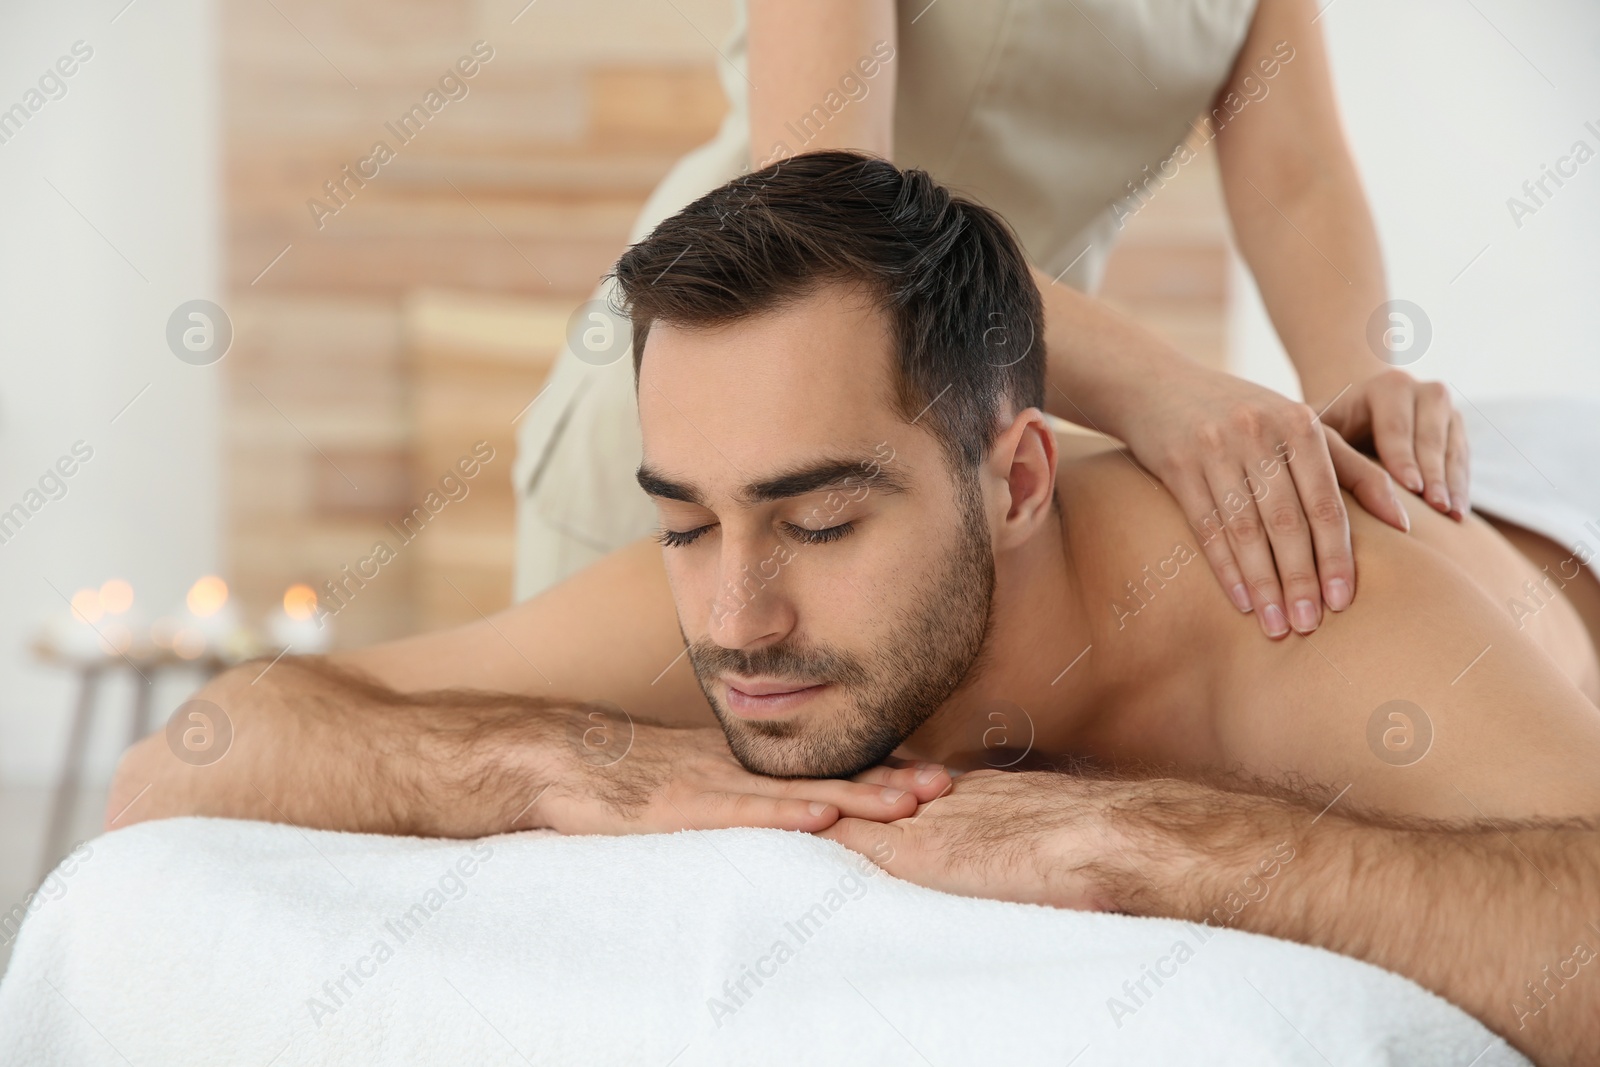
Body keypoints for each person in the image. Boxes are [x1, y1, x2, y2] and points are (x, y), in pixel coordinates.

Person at [112, 154, 1597, 1064]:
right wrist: (541, 758)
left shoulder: (1310, 606)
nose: (740, 615)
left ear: (1017, 477)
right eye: (683, 518)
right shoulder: (735, 586)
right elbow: (185, 757)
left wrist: (1145, 840)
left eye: (822, 520)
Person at [514, 0, 1473, 644]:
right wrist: (1166, 388)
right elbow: (839, 195)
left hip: (975, 408)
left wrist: (1355, 388)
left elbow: (1298, 179)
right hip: (730, 386)